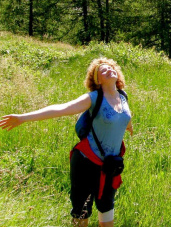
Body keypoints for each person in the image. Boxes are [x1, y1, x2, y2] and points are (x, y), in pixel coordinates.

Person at [0, 58, 133, 227]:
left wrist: (130, 127)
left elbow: (125, 117)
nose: (109, 70)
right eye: (103, 70)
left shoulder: (123, 96)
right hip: (86, 162)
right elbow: (62, 108)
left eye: (111, 68)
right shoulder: (93, 98)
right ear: (97, 81)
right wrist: (23, 118)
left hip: (110, 166)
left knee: (107, 212)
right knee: (81, 213)